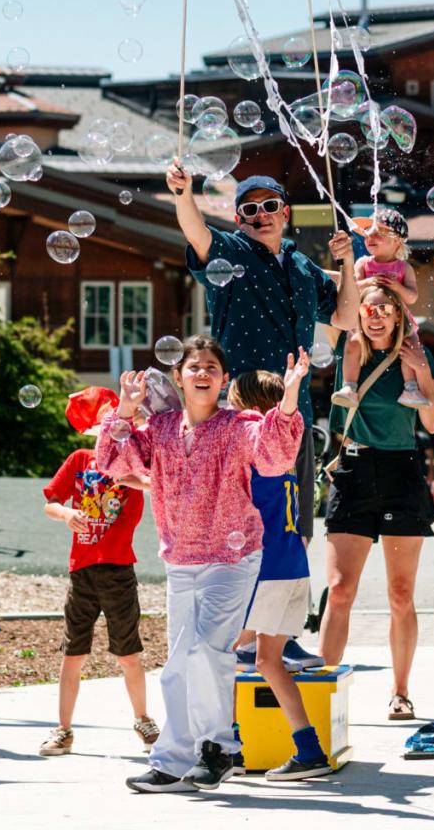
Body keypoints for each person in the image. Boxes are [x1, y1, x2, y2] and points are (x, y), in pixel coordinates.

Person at [97, 336, 306, 793]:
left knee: (208, 650)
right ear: (178, 377)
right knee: (178, 660)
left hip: (232, 558)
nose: (203, 373)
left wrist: (288, 401)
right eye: (194, 367)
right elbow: (113, 462)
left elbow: (275, 456)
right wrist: (126, 410)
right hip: (182, 559)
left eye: (212, 367)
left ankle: (219, 748)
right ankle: (173, 760)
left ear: (224, 378)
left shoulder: (240, 425)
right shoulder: (162, 428)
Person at [167, 166, 357, 547]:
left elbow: (347, 316)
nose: (261, 215)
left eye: (270, 206)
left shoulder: (302, 266)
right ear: (239, 220)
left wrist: (348, 263)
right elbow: (196, 232)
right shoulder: (231, 252)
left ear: (285, 213)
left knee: (296, 529)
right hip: (242, 418)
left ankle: (293, 603)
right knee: (242, 529)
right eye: (250, 210)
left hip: (294, 414)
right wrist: (182, 193)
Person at [315, 283, 434, 722]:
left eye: (384, 309)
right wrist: (346, 262)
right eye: (368, 309)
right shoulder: (347, 349)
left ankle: (401, 691)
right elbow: (340, 297)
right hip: (353, 470)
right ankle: (323, 686)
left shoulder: (415, 357)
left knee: (400, 593)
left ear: (397, 316)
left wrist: (422, 373)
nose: (374, 316)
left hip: (401, 471)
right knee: (339, 589)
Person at [37, 386, 158, 758]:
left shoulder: (133, 460)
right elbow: (50, 504)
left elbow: (156, 481)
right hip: (82, 570)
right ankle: (63, 730)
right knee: (72, 654)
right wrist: (67, 514)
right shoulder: (79, 460)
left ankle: (143, 719)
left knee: (129, 653)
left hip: (119, 568)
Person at [227, 370, 333, 781]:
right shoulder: (280, 457)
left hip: (264, 570)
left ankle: (228, 747)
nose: (228, 410)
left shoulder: (255, 453)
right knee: (268, 661)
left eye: (233, 402)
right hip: (293, 569)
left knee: (224, 654)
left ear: (252, 409)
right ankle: (310, 751)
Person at [333, 208, 425, 410]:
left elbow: (412, 296)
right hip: (366, 316)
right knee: (352, 342)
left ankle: (410, 388)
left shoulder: (403, 268)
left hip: (397, 319)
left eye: (378, 233)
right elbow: (350, 287)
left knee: (410, 345)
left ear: (396, 240)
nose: (369, 237)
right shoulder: (363, 263)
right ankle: (349, 387)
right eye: (367, 234)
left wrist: (397, 287)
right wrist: (368, 282)